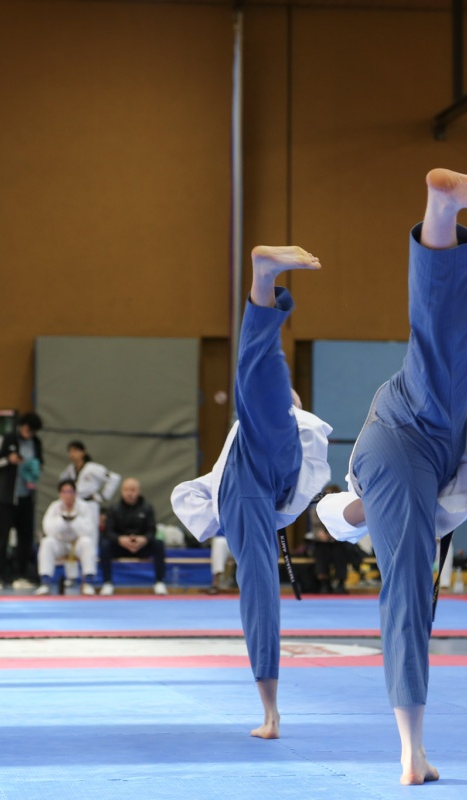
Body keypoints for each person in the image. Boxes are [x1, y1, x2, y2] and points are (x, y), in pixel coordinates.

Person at [313, 169, 467, 784]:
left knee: (449, 335)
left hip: (407, 437)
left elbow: (353, 510)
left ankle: (442, 208)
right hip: (414, 430)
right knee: (406, 595)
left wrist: (357, 507)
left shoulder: (365, 497)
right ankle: (410, 750)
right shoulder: (371, 488)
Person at [171, 243, 332, 741]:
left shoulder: (286, 420)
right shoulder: (258, 428)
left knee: (256, 379)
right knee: (260, 593)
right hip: (251, 483)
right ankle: (270, 711)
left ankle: (264, 285)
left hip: (262, 473)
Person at [0, 412, 44, 589]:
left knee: (25, 538)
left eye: (32, 431)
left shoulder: (36, 443)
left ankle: (21, 575)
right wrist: (8, 460)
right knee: (1, 537)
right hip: (5, 498)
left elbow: (39, 463)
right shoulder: (7, 438)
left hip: (26, 496)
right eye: (27, 429)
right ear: (22, 425)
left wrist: (34, 470)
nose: (29, 433)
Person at [102, 477, 165, 596]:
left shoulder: (147, 508)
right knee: (105, 545)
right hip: (121, 547)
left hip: (141, 546)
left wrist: (144, 539)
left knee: (158, 544)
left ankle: (159, 582)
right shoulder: (114, 509)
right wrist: (120, 540)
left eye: (133, 490)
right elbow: (108, 532)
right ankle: (107, 582)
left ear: (138, 491)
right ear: (122, 491)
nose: (129, 493)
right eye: (126, 490)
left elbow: (152, 530)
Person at [36, 479, 100, 595]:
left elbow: (88, 530)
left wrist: (74, 519)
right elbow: (48, 529)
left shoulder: (84, 507)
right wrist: (63, 519)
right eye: (64, 492)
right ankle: (45, 583)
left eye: (70, 492)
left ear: (75, 493)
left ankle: (88, 583)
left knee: (87, 542)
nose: (67, 495)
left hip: (77, 544)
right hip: (60, 543)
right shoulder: (54, 507)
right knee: (47, 542)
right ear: (60, 494)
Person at [59, 441, 122, 506]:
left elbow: (114, 478)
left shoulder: (92, 468)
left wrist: (103, 496)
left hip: (90, 503)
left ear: (83, 452)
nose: (72, 454)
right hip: (76, 503)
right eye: (70, 451)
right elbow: (63, 484)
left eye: (75, 451)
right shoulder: (70, 469)